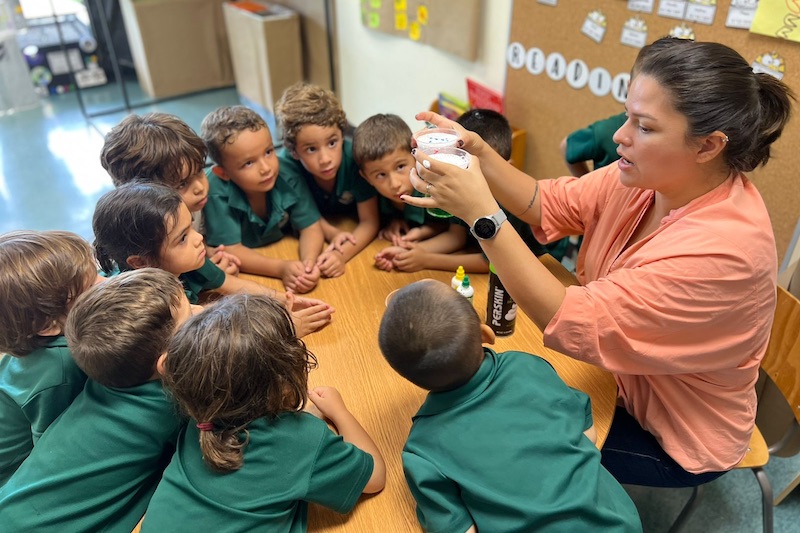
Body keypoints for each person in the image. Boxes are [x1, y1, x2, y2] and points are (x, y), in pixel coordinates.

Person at [404, 37, 794, 487]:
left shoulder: (724, 253)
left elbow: (567, 319)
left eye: (644, 127)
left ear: (707, 146)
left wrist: (482, 217)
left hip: (672, 434)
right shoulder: (649, 175)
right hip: (616, 371)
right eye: (627, 115)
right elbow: (545, 202)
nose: (619, 136)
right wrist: (480, 156)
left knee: (490, 436)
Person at [379, 280, 642, 532]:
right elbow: (588, 434)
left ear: (406, 376)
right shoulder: (528, 366)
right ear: (486, 335)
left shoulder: (422, 449)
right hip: (617, 522)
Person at [142, 294, 385, 531]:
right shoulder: (302, 439)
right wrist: (340, 412)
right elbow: (374, 478)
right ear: (285, 378)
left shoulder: (200, 414)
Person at [0, 269, 194, 531]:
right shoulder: (170, 403)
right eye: (192, 318)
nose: (199, 311)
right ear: (167, 364)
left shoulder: (107, 373)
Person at [92, 182, 332, 337]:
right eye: (182, 238)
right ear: (141, 263)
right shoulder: (150, 306)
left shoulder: (187, 260)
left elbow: (234, 285)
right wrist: (286, 329)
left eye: (191, 227)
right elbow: (218, 338)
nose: (199, 239)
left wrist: (286, 300)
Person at [0, 230, 100, 485]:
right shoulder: (59, 368)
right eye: (90, 289)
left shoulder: (41, 344)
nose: (105, 284)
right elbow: (53, 452)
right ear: (47, 325)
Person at [200, 105, 325, 293]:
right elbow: (231, 249)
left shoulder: (287, 173)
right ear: (223, 173)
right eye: (249, 163)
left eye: (268, 152)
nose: (266, 168)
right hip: (247, 274)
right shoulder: (215, 189)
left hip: (282, 249)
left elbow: (311, 226)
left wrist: (307, 266)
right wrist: (281, 268)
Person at [100, 112, 240, 275]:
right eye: (182, 183)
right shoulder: (139, 239)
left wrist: (208, 253)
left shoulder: (192, 205)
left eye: (200, 172)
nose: (200, 188)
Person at [275, 82, 381, 277]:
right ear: (294, 151)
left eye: (332, 143)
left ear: (342, 135)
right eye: (311, 149)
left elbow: (370, 222)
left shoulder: (355, 158)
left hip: (350, 227)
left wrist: (341, 256)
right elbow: (308, 219)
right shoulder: (286, 166)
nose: (325, 159)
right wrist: (313, 261)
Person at [351, 113, 470, 272]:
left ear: (415, 154)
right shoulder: (375, 198)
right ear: (366, 177)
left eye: (400, 167)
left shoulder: (435, 184)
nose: (394, 184)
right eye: (381, 175)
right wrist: (396, 221)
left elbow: (456, 235)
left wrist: (411, 250)